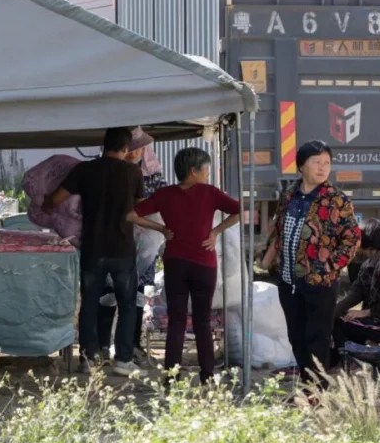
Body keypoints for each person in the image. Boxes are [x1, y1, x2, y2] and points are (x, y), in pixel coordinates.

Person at [128, 147, 240, 384]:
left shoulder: (165, 194)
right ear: (194, 171)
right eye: (206, 169)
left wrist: (161, 229)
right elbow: (239, 211)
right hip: (204, 265)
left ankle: (171, 378)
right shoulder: (210, 193)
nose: (208, 174)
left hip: (175, 263)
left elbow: (131, 215)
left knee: (176, 322)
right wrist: (215, 232)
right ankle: (207, 376)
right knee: (202, 321)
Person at [43, 127, 149, 376]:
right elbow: (140, 210)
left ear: (104, 145)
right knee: (127, 304)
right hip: (123, 249)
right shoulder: (133, 172)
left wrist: (46, 204)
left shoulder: (85, 170)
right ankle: (123, 360)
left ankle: (88, 359)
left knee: (89, 303)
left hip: (93, 249)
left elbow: (56, 199)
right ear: (126, 149)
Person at [261, 140, 361, 384]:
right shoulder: (288, 195)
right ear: (301, 165)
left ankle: (317, 391)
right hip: (288, 281)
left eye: (327, 163)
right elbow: (278, 229)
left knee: (317, 338)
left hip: (320, 282)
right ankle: (307, 386)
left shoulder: (336, 200)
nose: (322, 167)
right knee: (296, 337)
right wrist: (272, 261)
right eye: (317, 162)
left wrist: (329, 266)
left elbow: (353, 238)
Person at [97, 126, 168, 364]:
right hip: (113, 241)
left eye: (139, 149)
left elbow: (162, 205)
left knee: (137, 294)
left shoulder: (154, 177)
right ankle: (103, 345)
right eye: (130, 149)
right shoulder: (107, 171)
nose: (134, 153)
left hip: (144, 246)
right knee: (108, 293)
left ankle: (132, 346)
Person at [332, 219, 380, 363]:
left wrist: (364, 313)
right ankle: (337, 363)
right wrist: (333, 311)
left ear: (369, 239)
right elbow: (355, 294)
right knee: (334, 318)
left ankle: (350, 362)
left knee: (338, 324)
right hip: (376, 320)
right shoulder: (368, 264)